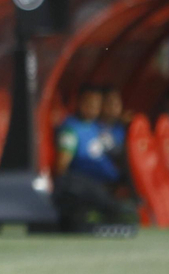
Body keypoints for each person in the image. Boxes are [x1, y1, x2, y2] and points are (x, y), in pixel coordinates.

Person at [54, 86, 135, 231]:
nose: (93, 108)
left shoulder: (96, 127)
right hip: (85, 182)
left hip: (108, 183)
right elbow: (62, 166)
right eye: (89, 104)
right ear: (79, 103)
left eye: (97, 105)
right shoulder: (71, 129)